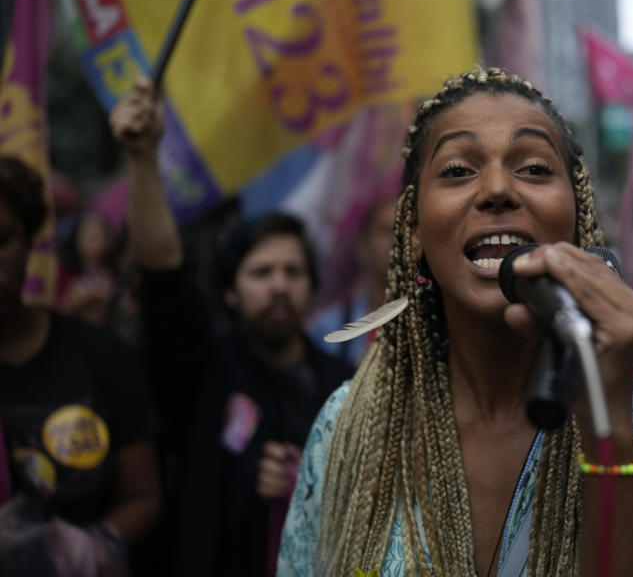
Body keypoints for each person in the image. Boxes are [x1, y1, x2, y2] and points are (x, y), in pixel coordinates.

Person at [277, 68, 633, 576]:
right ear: (412, 234)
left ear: (576, 214)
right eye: (457, 171)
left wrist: (610, 427)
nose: (497, 189)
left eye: (535, 168)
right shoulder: (349, 426)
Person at [110, 79, 354, 576]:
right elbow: (164, 273)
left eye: (293, 272)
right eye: (261, 273)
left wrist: (307, 487)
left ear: (312, 285)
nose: (279, 286)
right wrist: (142, 159)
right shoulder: (204, 368)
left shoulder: (342, 386)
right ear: (229, 290)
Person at [0, 157, 160, 575]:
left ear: (30, 241)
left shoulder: (99, 354)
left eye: (1, 239)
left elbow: (144, 494)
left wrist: (90, 548)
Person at [308, 195, 395, 365]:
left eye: (407, 229)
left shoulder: (440, 320)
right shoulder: (329, 327)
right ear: (363, 247)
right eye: (386, 230)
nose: (397, 239)